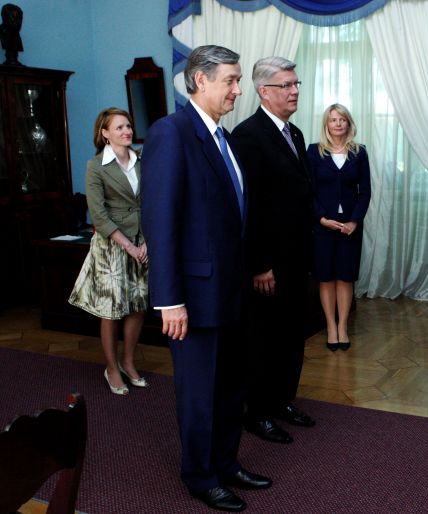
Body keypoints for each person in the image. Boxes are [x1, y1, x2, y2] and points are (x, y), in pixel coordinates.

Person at [141, 45, 271, 513]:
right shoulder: (171, 133)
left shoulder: (224, 137)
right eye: (231, 80)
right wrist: (169, 300)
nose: (238, 90)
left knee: (231, 386)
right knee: (200, 394)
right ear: (200, 80)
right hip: (192, 298)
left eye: (238, 80)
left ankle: (226, 463)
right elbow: (160, 221)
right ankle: (200, 476)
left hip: (231, 292)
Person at [232, 56, 315, 445]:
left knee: (292, 334)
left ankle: (283, 400)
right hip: (268, 264)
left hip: (297, 257)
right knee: (264, 338)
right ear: (264, 91)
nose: (295, 91)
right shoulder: (248, 136)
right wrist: (260, 264)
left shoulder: (294, 133)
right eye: (287, 85)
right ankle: (258, 413)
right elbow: (250, 207)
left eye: (296, 84)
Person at [69, 107, 149, 396]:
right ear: (104, 133)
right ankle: (112, 368)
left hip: (142, 241)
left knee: (138, 305)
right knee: (112, 310)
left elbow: (152, 201)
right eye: (119, 127)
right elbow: (99, 215)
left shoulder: (142, 160)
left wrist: (146, 242)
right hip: (112, 245)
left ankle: (128, 362)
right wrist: (128, 246)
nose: (127, 131)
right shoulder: (96, 166)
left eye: (128, 126)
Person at [307, 104, 371, 352]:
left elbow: (365, 192)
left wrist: (354, 221)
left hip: (350, 227)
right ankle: (330, 327)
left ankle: (343, 326)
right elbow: (309, 190)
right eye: (333, 120)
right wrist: (321, 218)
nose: (338, 124)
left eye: (342, 119)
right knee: (326, 277)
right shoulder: (314, 151)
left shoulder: (359, 152)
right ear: (326, 124)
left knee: (345, 277)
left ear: (348, 123)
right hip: (323, 225)